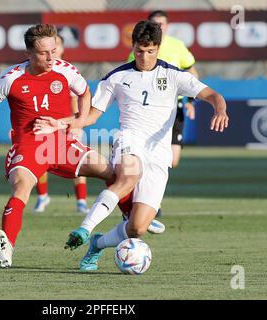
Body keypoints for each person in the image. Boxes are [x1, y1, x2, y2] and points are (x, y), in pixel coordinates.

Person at [64, 20, 229, 271]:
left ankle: (97, 244)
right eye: (140, 50)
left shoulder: (174, 75)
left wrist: (220, 109)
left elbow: (212, 95)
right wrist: (67, 124)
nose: (144, 56)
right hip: (128, 139)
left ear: (158, 48)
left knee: (136, 229)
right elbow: (92, 115)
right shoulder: (117, 77)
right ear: (133, 47)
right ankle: (86, 228)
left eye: (150, 51)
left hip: (159, 154)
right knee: (129, 175)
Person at [0, 24, 115, 268]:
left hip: (61, 143)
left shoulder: (65, 70)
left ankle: (135, 220)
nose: (51, 57)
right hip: (27, 146)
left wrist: (78, 123)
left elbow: (86, 94)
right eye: (44, 53)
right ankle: (7, 248)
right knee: (21, 189)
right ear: (28, 54)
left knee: (113, 172)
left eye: (53, 50)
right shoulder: (11, 78)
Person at [128, 10, 199, 168]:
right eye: (155, 24)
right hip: (150, 107)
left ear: (167, 26)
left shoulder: (177, 45)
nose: (159, 27)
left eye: (162, 24)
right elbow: (131, 76)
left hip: (174, 105)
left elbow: (191, 72)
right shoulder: (141, 49)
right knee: (144, 152)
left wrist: (191, 101)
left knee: (173, 161)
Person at [33, 34, 90, 214]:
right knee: (40, 161)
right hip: (45, 125)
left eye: (55, 46)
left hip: (66, 124)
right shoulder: (38, 71)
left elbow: (77, 101)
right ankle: (42, 196)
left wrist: (75, 124)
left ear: (61, 49)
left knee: (77, 162)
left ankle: (81, 201)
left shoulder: (68, 71)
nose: (51, 51)